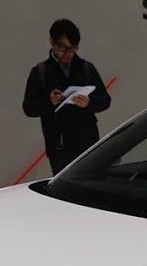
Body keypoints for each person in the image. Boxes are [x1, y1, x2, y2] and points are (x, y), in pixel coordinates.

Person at [22, 19, 112, 175]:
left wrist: (89, 102)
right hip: (59, 147)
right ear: (52, 42)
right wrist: (49, 102)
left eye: (73, 49)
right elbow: (28, 108)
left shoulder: (86, 68)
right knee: (64, 186)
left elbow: (105, 100)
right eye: (63, 48)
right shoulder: (40, 72)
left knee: (92, 183)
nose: (68, 54)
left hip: (88, 143)